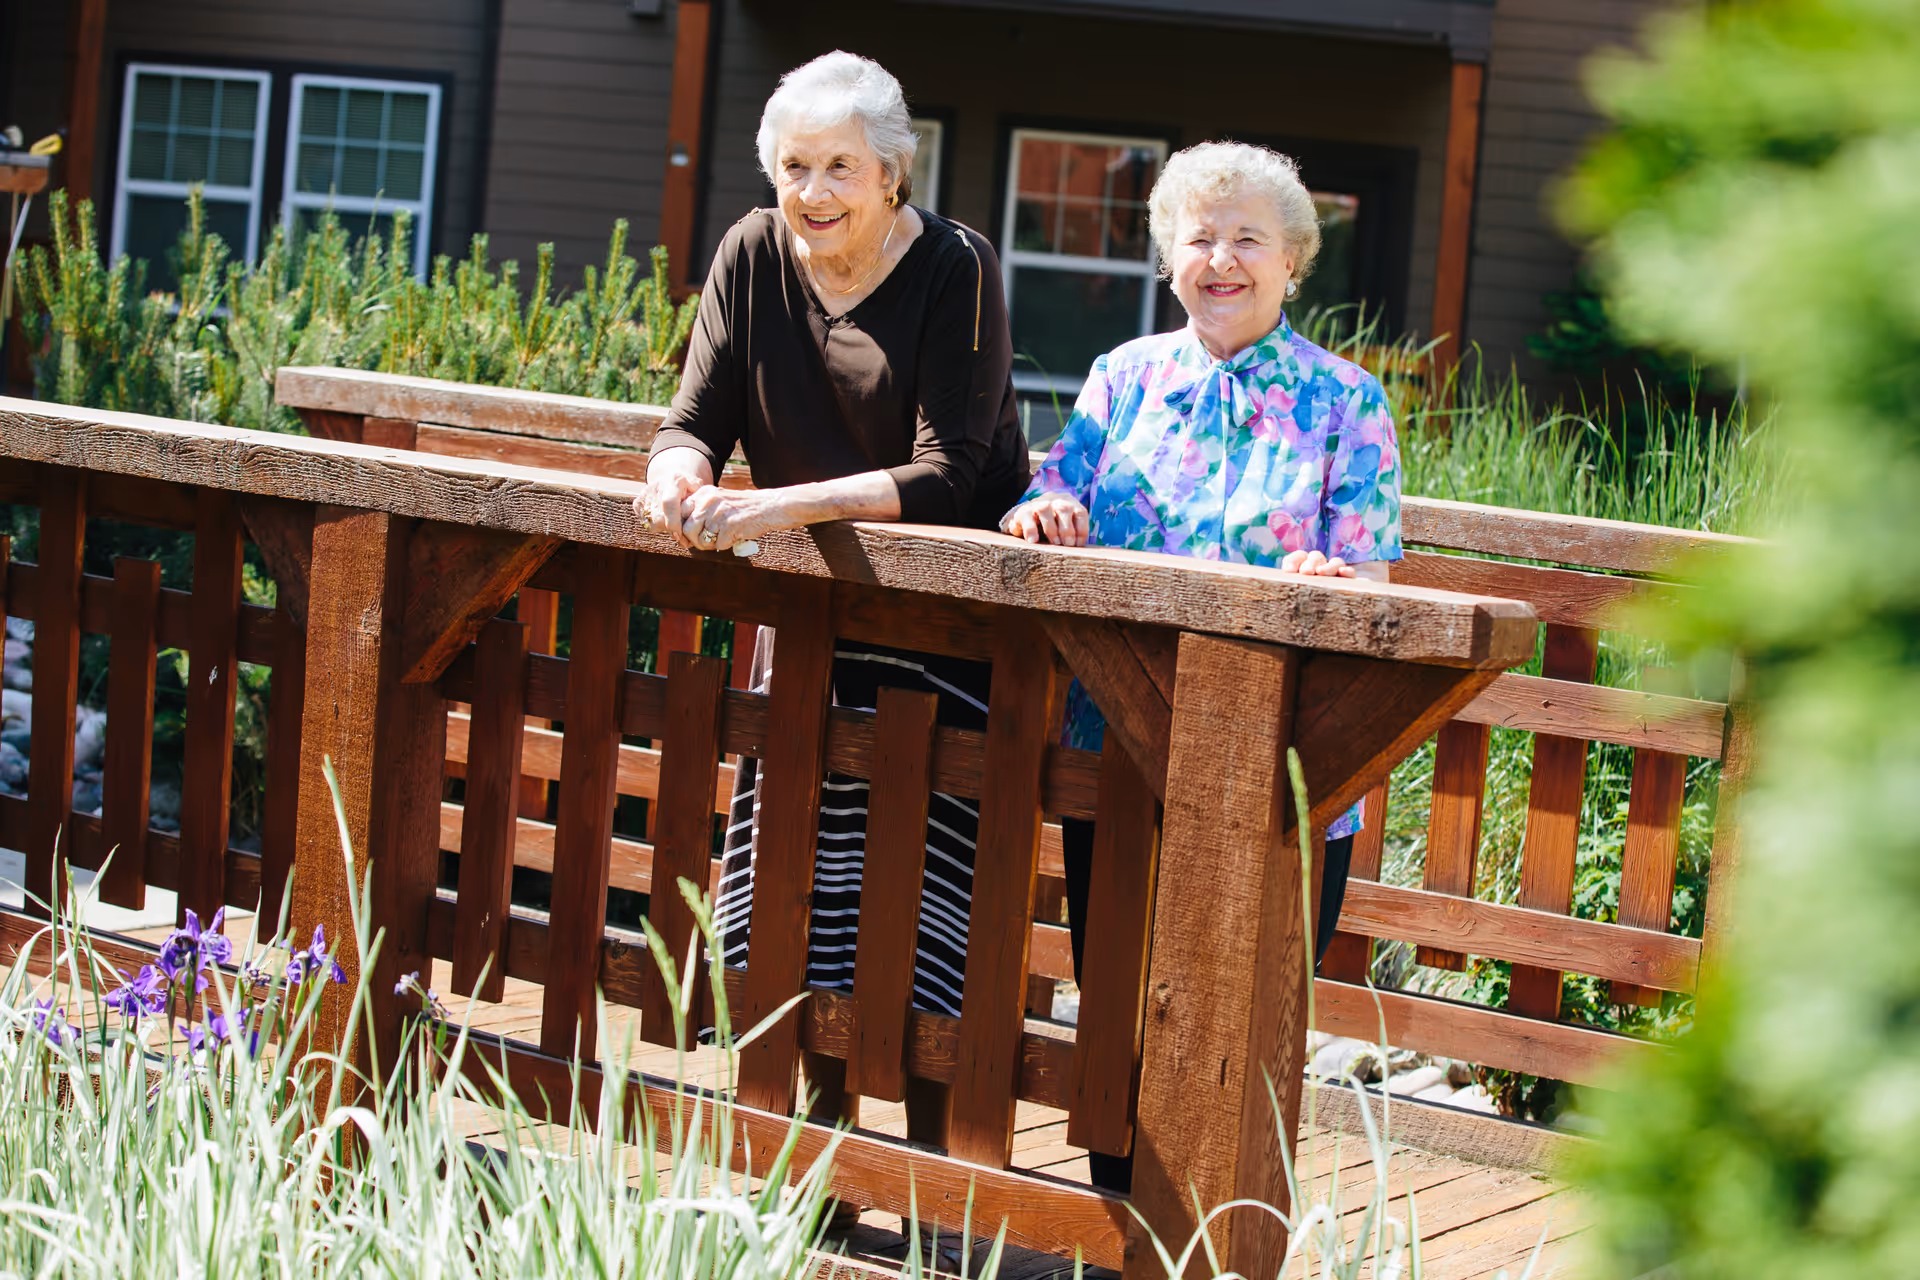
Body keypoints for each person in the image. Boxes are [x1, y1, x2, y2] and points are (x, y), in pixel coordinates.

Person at [635, 51, 1029, 1146]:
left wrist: (777, 508)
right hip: (811, 622)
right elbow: (692, 420)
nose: (812, 192)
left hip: (951, 630)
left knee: (927, 901)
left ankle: (944, 1171)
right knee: (800, 884)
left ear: (892, 174)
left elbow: (950, 473)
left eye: (840, 168)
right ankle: (808, 1154)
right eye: (794, 166)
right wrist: (677, 473)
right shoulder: (753, 253)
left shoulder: (960, 267)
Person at [1002, 140, 1404, 1192]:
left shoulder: (1348, 400)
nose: (1220, 259)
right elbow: (1044, 493)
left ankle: (1226, 1231)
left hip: (1285, 768)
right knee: (1121, 992)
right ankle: (1116, 1222)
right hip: (1121, 747)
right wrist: (1041, 508)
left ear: (1292, 261)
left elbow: (1374, 581)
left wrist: (1338, 579)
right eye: (1199, 237)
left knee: (1254, 1010)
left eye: (1247, 239)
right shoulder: (1120, 378)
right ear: (1168, 256)